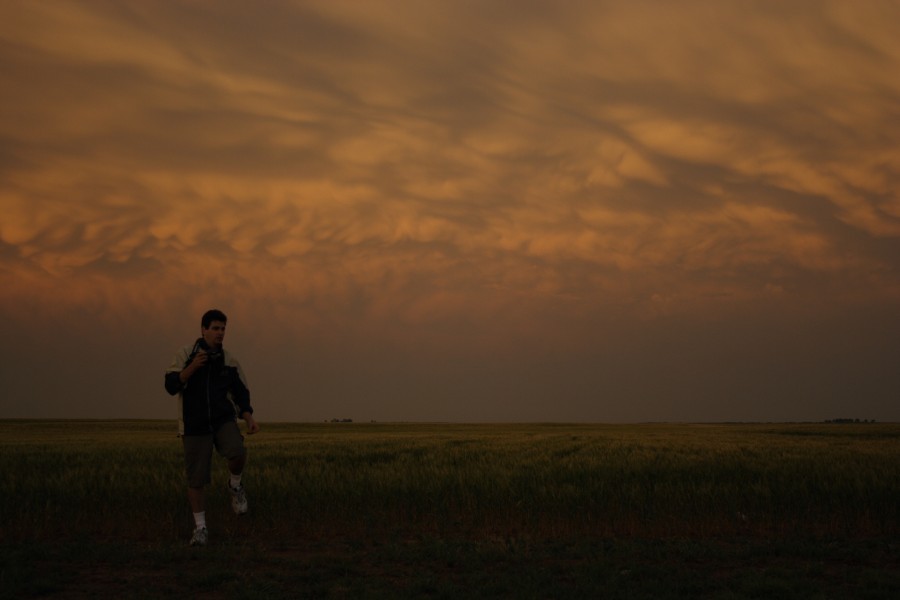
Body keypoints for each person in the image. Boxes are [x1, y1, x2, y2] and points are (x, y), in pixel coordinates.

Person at [164, 309, 260, 546]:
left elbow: (240, 393)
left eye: (223, 329)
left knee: (237, 451)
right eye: (216, 328)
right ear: (203, 330)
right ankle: (201, 529)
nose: (220, 333)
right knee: (196, 479)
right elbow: (171, 385)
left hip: (222, 419)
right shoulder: (185, 354)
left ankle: (235, 486)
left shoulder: (229, 360)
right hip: (194, 424)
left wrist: (248, 418)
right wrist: (192, 368)